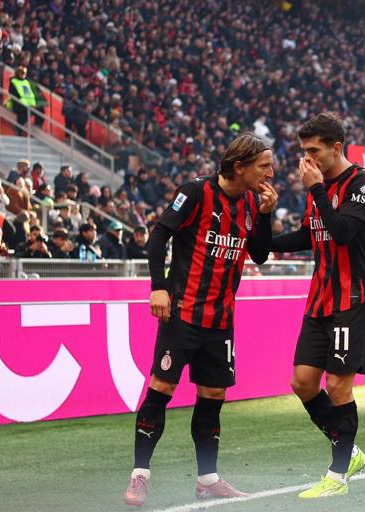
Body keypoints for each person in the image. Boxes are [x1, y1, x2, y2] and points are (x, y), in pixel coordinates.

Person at [123, 133, 277, 507]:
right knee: (161, 389)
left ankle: (208, 479)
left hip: (221, 320)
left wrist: (266, 215)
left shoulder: (252, 204)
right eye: (264, 166)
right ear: (239, 166)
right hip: (183, 314)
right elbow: (159, 236)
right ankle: (140, 475)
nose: (271, 172)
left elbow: (258, 254)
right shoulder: (195, 193)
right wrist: (158, 286)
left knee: (212, 397)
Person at [269, 113, 365, 498]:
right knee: (301, 382)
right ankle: (348, 449)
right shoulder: (316, 187)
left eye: (314, 150)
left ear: (336, 147)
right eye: (304, 151)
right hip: (320, 299)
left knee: (337, 384)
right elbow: (308, 234)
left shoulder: (364, 183)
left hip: (353, 299)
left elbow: (344, 231)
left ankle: (337, 476)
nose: (307, 158)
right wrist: (264, 239)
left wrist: (317, 190)